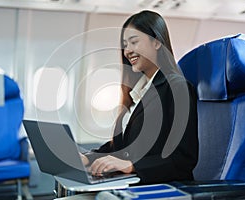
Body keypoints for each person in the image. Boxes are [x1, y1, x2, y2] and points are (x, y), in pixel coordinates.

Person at [81, 10, 198, 184]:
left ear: (157, 42)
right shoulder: (137, 91)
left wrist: (131, 166)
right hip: (131, 184)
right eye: (125, 45)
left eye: (134, 42)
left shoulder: (177, 87)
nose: (127, 51)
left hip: (162, 188)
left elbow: (183, 159)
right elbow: (121, 148)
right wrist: (88, 158)